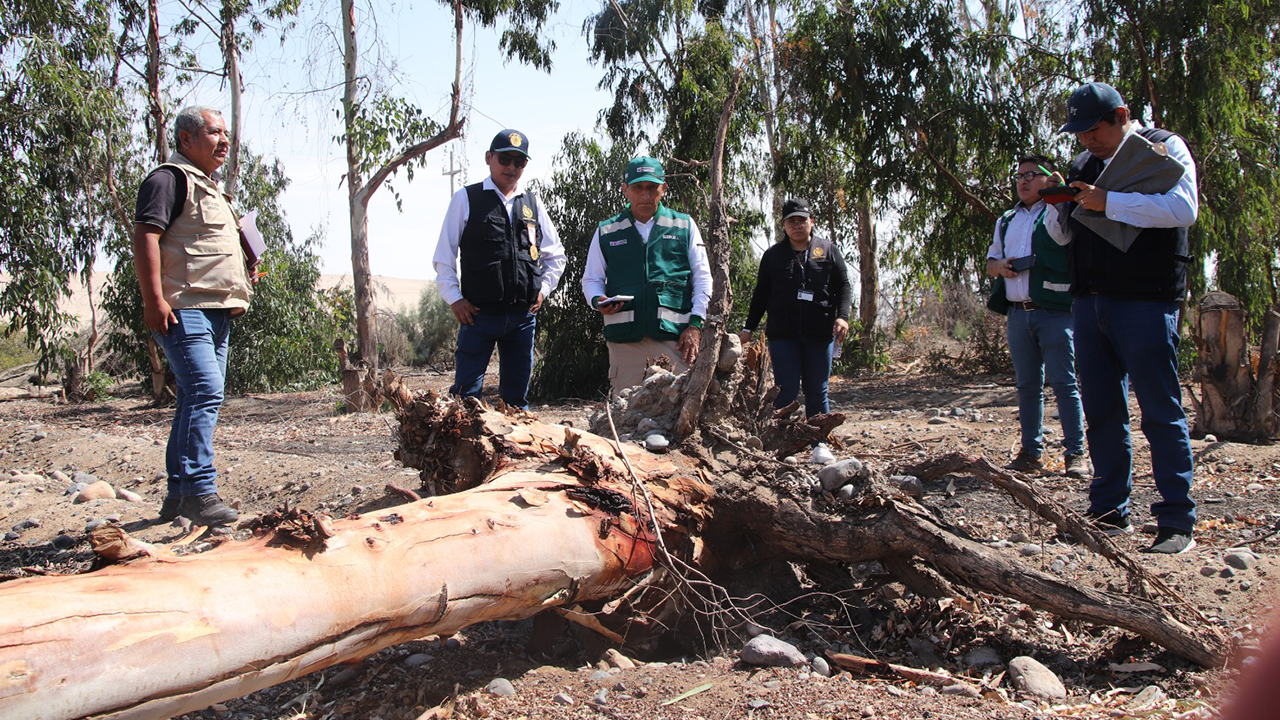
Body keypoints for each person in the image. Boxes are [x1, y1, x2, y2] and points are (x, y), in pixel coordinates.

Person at [1056, 81, 1198, 554]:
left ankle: (1176, 521)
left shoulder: (1163, 147)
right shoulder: (1083, 164)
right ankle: (1108, 513)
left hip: (1145, 301)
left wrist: (1108, 202)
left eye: (1094, 129)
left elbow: (1183, 209)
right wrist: (1060, 207)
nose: (1086, 140)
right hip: (1090, 302)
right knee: (1101, 413)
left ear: (1122, 115)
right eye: (1079, 133)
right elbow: (1065, 237)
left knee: (1160, 411)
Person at [132, 106, 254, 526]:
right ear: (186, 139)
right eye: (214, 132)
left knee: (193, 397)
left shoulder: (213, 188)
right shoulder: (169, 179)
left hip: (218, 311)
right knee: (205, 391)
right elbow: (146, 236)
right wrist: (154, 300)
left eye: (226, 133)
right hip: (184, 308)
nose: (224, 140)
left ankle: (177, 496)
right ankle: (200, 492)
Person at [432, 129, 567, 410]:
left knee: (517, 404)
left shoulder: (532, 203)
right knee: (466, 400)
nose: (512, 168)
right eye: (505, 159)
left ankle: (514, 454)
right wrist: (454, 299)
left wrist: (543, 290)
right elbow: (444, 256)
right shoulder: (466, 199)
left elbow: (555, 255)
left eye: (520, 162)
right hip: (478, 317)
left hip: (522, 318)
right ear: (489, 158)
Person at [985, 155, 1088, 479]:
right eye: (1019, 176)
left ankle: (1076, 454)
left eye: (1031, 175)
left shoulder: (1057, 211)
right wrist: (999, 267)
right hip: (1018, 315)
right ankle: (1031, 453)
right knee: (1027, 385)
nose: (1023, 181)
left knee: (1064, 383)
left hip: (1055, 313)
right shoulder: (1006, 219)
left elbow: (1066, 238)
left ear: (1048, 178)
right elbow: (991, 261)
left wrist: (1059, 197)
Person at [581, 156, 712, 390]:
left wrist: (695, 325)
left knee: (674, 412)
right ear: (625, 190)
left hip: (675, 342)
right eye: (638, 187)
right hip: (625, 344)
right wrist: (597, 299)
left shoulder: (684, 226)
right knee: (626, 413)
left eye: (652, 187)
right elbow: (592, 279)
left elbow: (703, 278)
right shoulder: (607, 230)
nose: (645, 195)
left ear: (663, 188)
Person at [740, 198, 851, 465]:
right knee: (785, 389)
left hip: (820, 333)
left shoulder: (828, 250)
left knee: (817, 389)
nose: (797, 225)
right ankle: (779, 443)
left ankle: (819, 444)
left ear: (811, 222)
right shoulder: (773, 256)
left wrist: (843, 318)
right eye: (792, 221)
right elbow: (761, 295)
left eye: (802, 220)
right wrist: (748, 328)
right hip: (783, 335)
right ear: (784, 225)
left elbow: (844, 286)